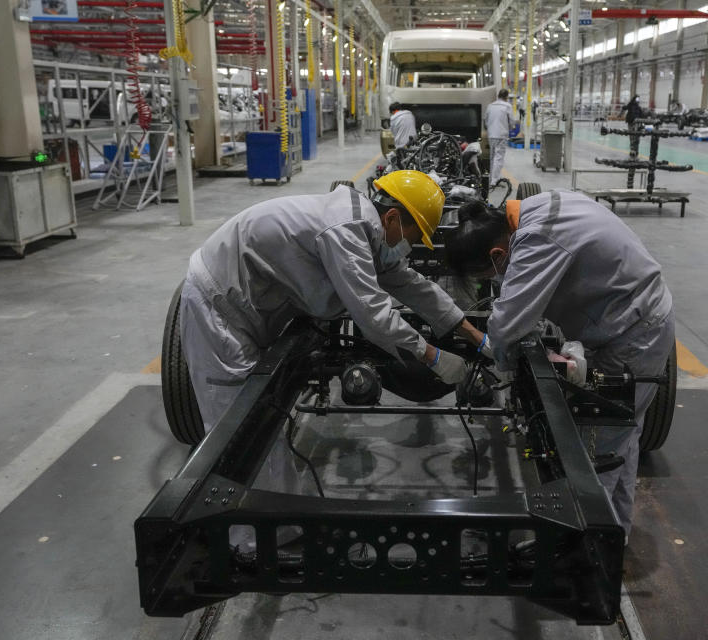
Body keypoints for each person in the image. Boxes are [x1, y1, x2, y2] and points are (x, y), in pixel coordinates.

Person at [180, 170, 487, 482]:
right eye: (412, 237)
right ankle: (245, 525)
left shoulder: (369, 230)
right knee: (240, 429)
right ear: (393, 218)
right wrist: (432, 356)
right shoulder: (347, 230)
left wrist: (473, 334)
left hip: (248, 306)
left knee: (264, 424)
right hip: (219, 311)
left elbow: (413, 286)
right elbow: (374, 316)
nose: (410, 246)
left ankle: (280, 510)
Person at [443, 192, 675, 539]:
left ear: (496, 254)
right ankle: (617, 534)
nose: (495, 281)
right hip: (631, 323)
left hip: (634, 333)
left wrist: (498, 361)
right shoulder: (533, 209)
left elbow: (506, 326)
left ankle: (590, 549)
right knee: (624, 429)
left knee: (598, 443)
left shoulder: (538, 238)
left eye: (490, 274)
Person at [484, 88, 516, 186]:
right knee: (499, 157)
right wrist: (511, 128)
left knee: (492, 156)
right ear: (506, 97)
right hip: (501, 135)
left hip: (491, 134)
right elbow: (511, 121)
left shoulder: (490, 106)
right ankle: (495, 181)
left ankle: (491, 178)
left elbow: (485, 120)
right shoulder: (507, 106)